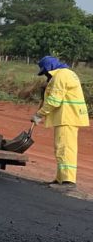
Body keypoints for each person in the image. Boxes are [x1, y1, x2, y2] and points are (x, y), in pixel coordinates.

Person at [32, 56, 89, 189]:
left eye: (45, 72)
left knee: (65, 148)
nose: (45, 74)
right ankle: (60, 179)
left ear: (49, 68)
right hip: (68, 116)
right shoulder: (65, 74)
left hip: (67, 117)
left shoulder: (60, 76)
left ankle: (68, 181)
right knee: (61, 148)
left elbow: (54, 100)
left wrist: (39, 115)